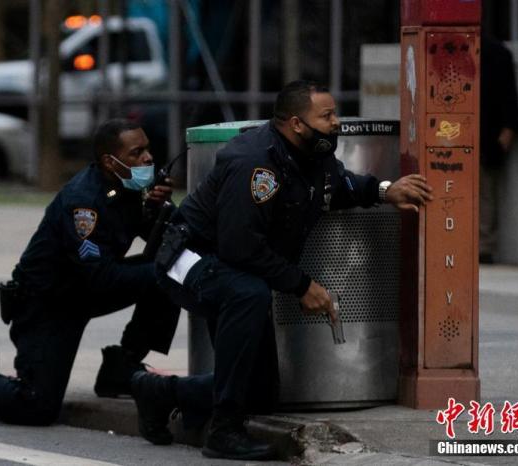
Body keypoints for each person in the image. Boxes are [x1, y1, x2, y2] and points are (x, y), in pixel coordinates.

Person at [129, 80, 434, 460]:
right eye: (326, 116)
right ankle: (223, 431)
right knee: (248, 293)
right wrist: (303, 285)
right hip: (187, 257)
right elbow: (240, 246)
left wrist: (385, 191)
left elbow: (335, 186)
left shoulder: (312, 155)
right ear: (296, 123)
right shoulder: (255, 163)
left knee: (260, 392)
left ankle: (159, 393)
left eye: (335, 113)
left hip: (229, 263)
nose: (336, 122)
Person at [0, 118, 180, 426]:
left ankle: (120, 369)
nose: (148, 158)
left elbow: (169, 238)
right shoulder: (84, 203)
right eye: (137, 153)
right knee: (37, 406)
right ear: (110, 162)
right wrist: (158, 269)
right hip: (47, 304)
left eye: (147, 149)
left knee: (175, 268)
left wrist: (161, 209)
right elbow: (104, 278)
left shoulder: (128, 188)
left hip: (83, 290)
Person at [479, 32, 518, 264]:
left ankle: (483, 247)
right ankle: (481, 246)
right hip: (481, 137)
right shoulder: (496, 54)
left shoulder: (496, 55)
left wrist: (499, 145)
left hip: (486, 139)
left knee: (484, 193)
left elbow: (510, 112)